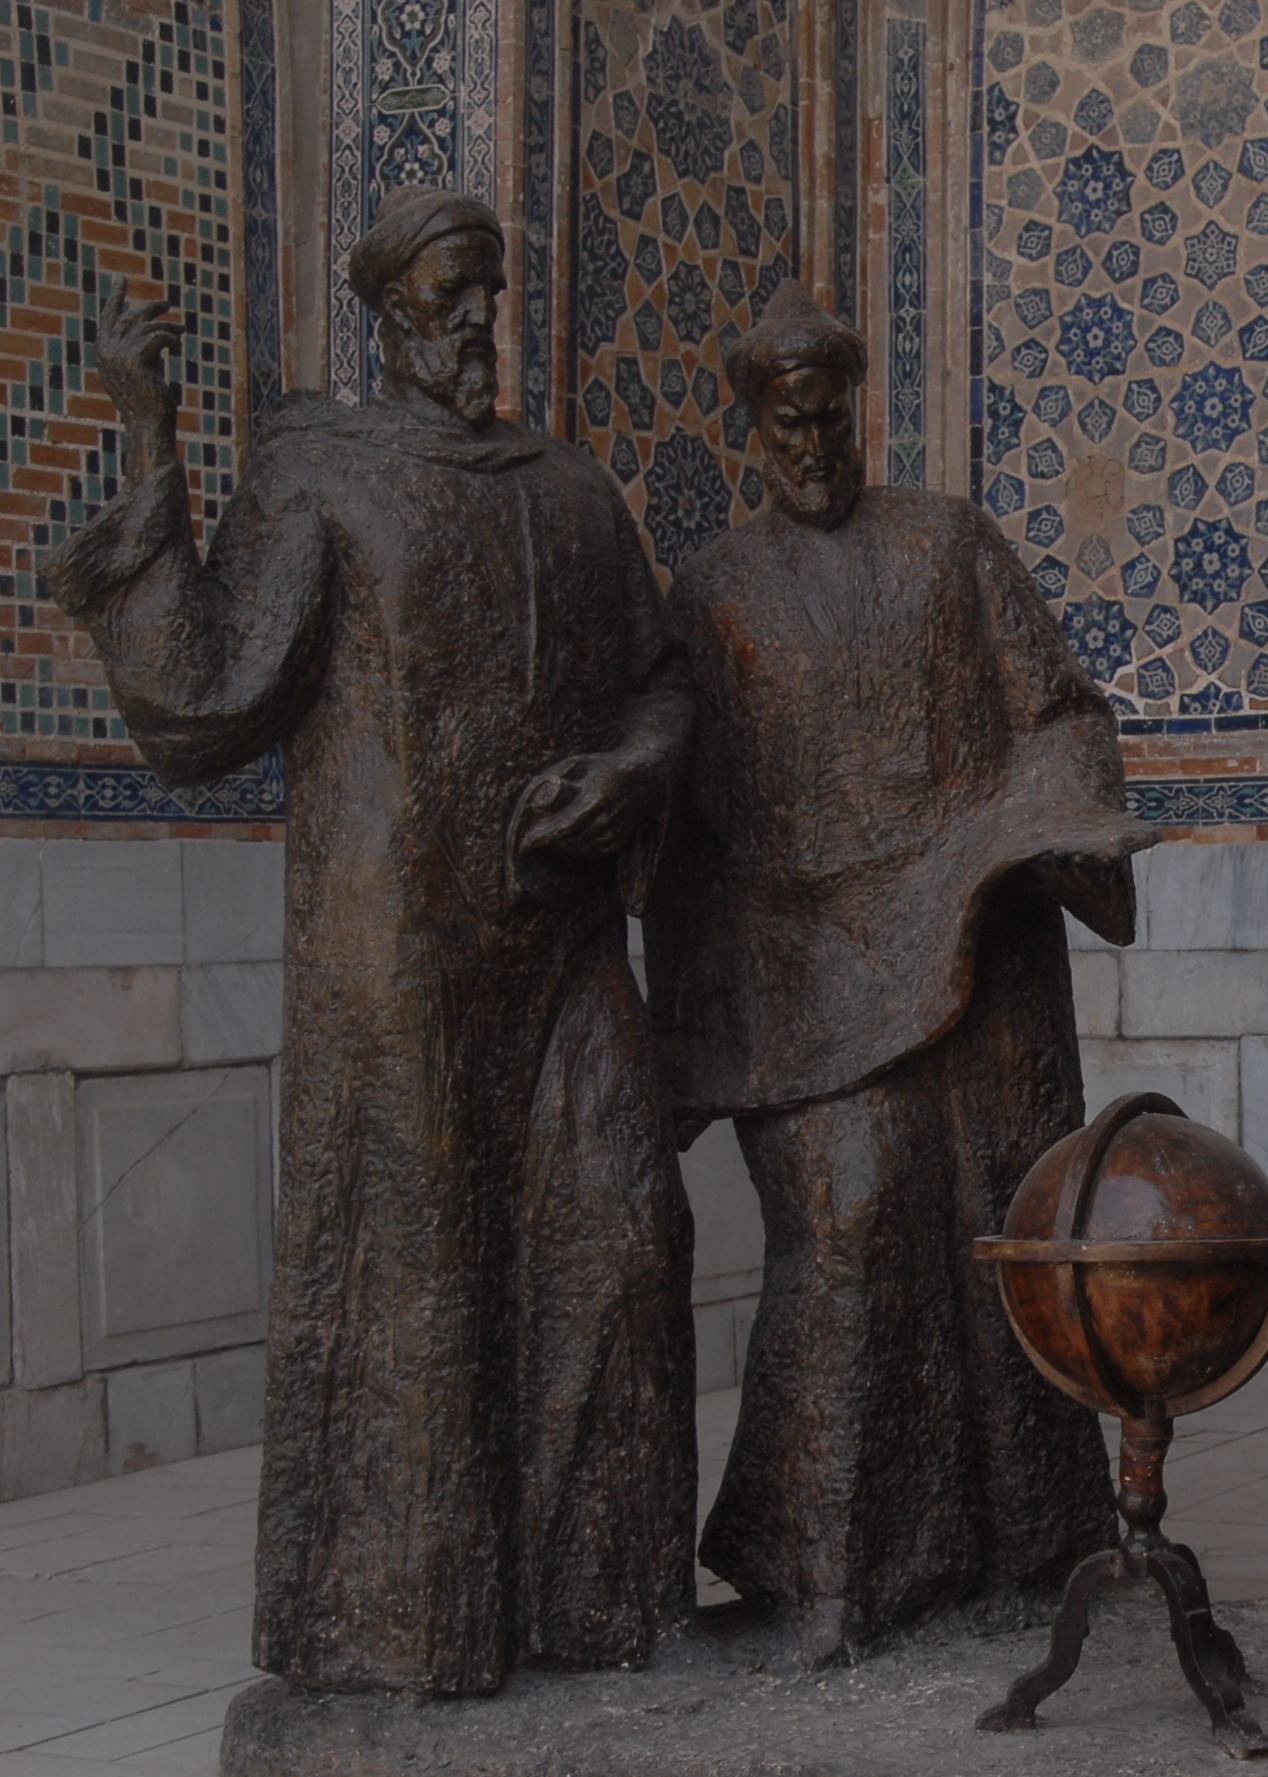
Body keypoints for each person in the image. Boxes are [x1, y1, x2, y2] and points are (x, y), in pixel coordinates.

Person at [47, 189, 699, 1695]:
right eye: (448, 293)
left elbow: (661, 677)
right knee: (421, 1277)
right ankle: (405, 1626)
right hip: (395, 952)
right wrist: (149, 438)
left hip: (562, 947)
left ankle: (600, 1604)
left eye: (490, 294)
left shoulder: (571, 490)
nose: (475, 321)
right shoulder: (320, 477)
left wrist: (635, 768)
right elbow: (205, 699)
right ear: (387, 308)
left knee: (621, 1228)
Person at [644, 281, 1154, 1666]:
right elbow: (684, 810)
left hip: (972, 950)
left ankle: (1027, 1545)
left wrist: (1036, 827)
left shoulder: (948, 544)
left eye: (832, 420)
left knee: (999, 1222)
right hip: (807, 973)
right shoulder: (712, 590)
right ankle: (824, 1568)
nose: (814, 446)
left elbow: (1057, 714)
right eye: (788, 426)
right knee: (849, 1225)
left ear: (858, 411)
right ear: (753, 430)